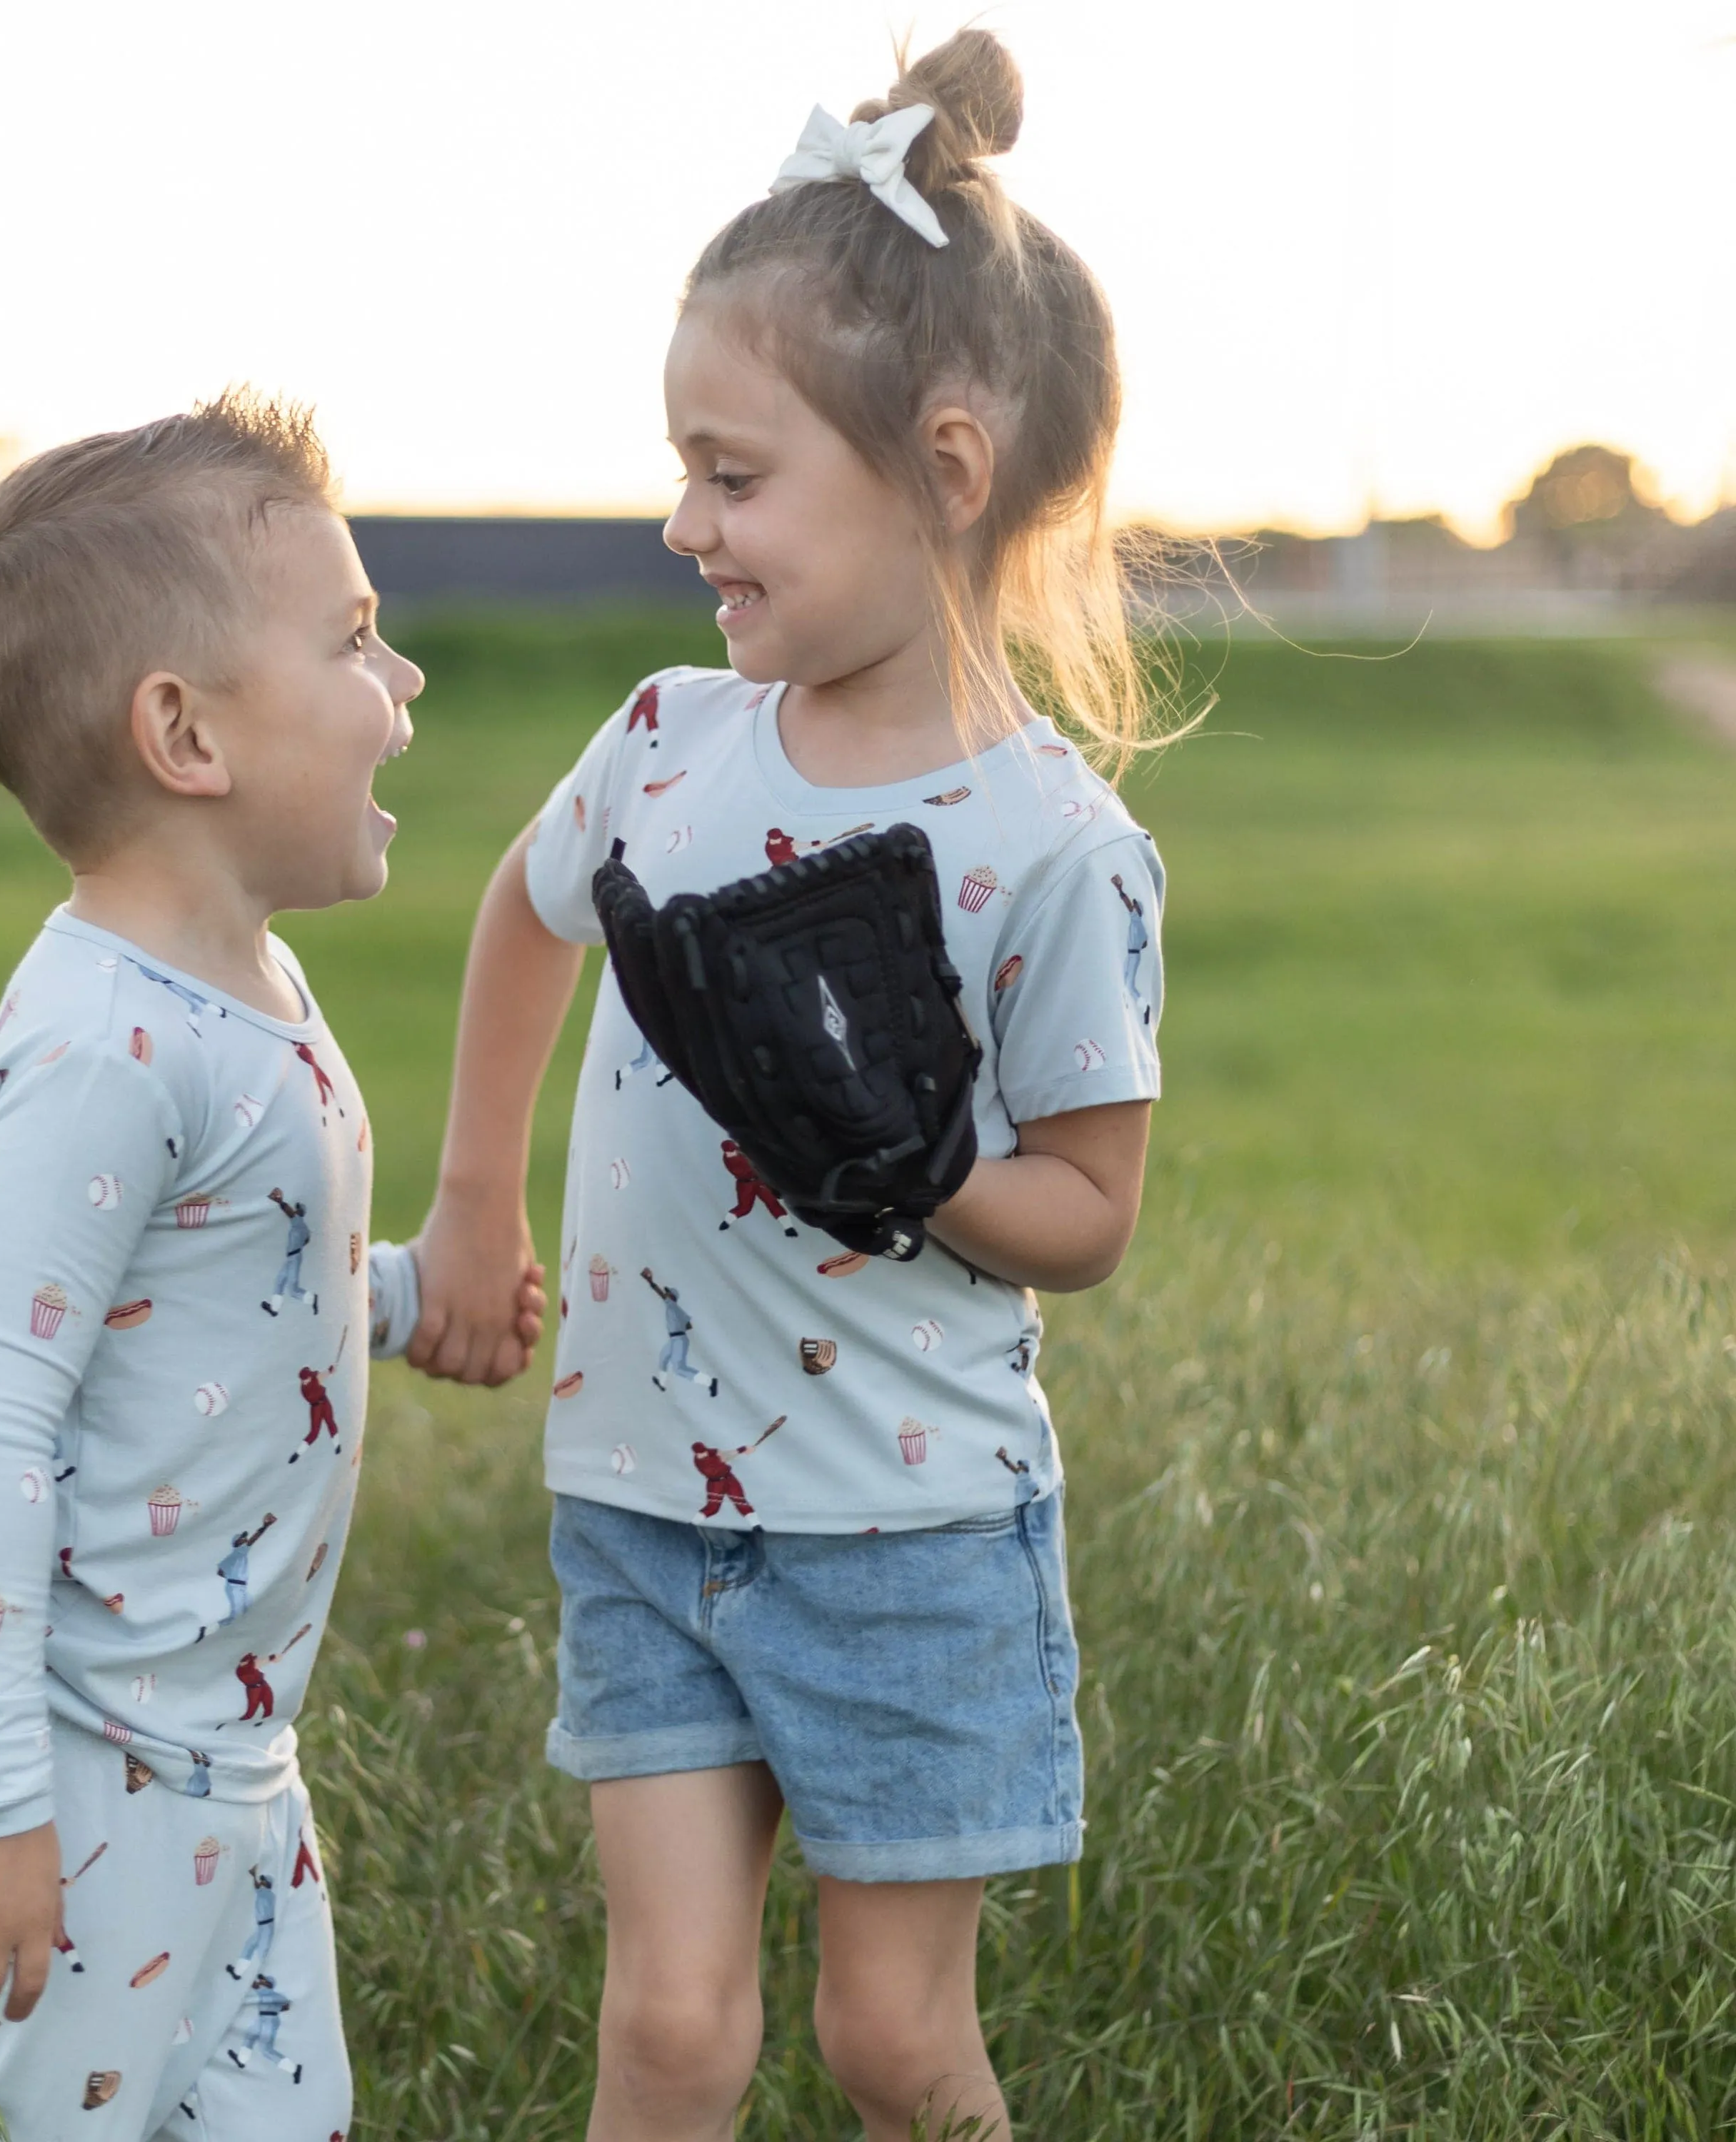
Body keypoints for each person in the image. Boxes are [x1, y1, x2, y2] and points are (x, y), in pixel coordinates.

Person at [402, 34, 1169, 2142]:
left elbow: (1091, 1218)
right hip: (644, 1502)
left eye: (736, 479)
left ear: (941, 464)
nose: (685, 525)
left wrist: (917, 1166)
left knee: (892, 2049)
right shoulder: (665, 741)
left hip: (907, 1535)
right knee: (666, 2030)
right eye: (681, 468)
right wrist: (480, 1194)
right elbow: (527, 913)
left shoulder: (1052, 845)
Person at [0, 391, 543, 2141]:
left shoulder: (241, 989)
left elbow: (218, 1290)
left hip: (228, 1758)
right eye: (357, 642)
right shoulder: (104, 1049)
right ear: (186, 734)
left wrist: (393, 1299)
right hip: (80, 1770)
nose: (404, 692)